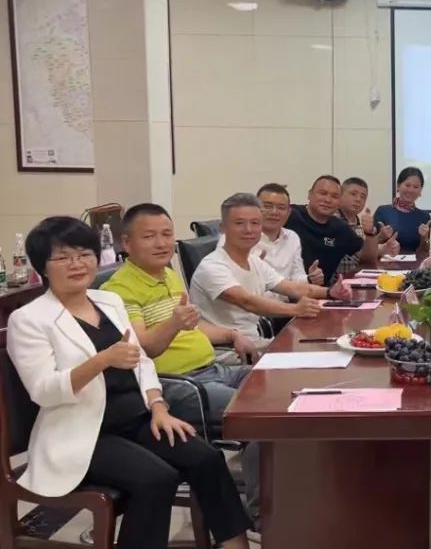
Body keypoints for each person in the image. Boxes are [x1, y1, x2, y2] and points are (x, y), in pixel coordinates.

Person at [7, 216, 251, 549]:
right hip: (82, 432)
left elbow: (142, 362)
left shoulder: (108, 302)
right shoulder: (29, 319)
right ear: (43, 267)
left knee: (206, 458)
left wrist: (158, 406)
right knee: (156, 478)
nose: (77, 264)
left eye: (85, 254)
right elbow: (43, 391)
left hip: (137, 417)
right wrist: (102, 360)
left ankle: (235, 544)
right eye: (63, 257)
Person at [102, 203, 262, 521]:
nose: (161, 243)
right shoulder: (117, 291)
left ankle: (277, 485)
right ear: (126, 243)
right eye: (149, 236)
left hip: (215, 368)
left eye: (166, 234)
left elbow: (193, 325)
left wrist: (230, 334)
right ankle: (263, 513)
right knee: (261, 416)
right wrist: (175, 322)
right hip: (178, 385)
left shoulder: (168, 274)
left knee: (278, 391)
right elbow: (143, 350)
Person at [191, 193, 349, 343]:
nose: (248, 230)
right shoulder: (212, 266)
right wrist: (296, 309)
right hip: (228, 350)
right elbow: (247, 302)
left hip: (255, 342)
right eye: (239, 223)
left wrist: (330, 292)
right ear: (223, 228)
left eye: (255, 223)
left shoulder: (254, 261)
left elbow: (292, 288)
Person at [285, 175, 380, 285]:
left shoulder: (340, 228)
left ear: (339, 201)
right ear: (310, 194)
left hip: (323, 292)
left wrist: (369, 233)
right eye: (323, 193)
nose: (328, 200)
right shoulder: (290, 214)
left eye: (334, 196)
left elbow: (367, 260)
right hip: (284, 289)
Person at [336, 177, 400, 278]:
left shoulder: (355, 220)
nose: (358, 199)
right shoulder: (333, 219)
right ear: (340, 195)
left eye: (363, 196)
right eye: (353, 194)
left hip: (354, 276)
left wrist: (383, 247)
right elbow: (358, 255)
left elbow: (364, 255)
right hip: (336, 280)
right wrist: (380, 247)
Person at [374, 167, 431, 254]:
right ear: (398, 186)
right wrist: (381, 237)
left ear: (420, 191)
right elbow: (369, 248)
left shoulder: (424, 216)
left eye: (416, 187)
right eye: (407, 185)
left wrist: (424, 238)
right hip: (386, 261)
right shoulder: (382, 211)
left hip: (414, 262)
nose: (411, 190)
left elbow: (425, 252)